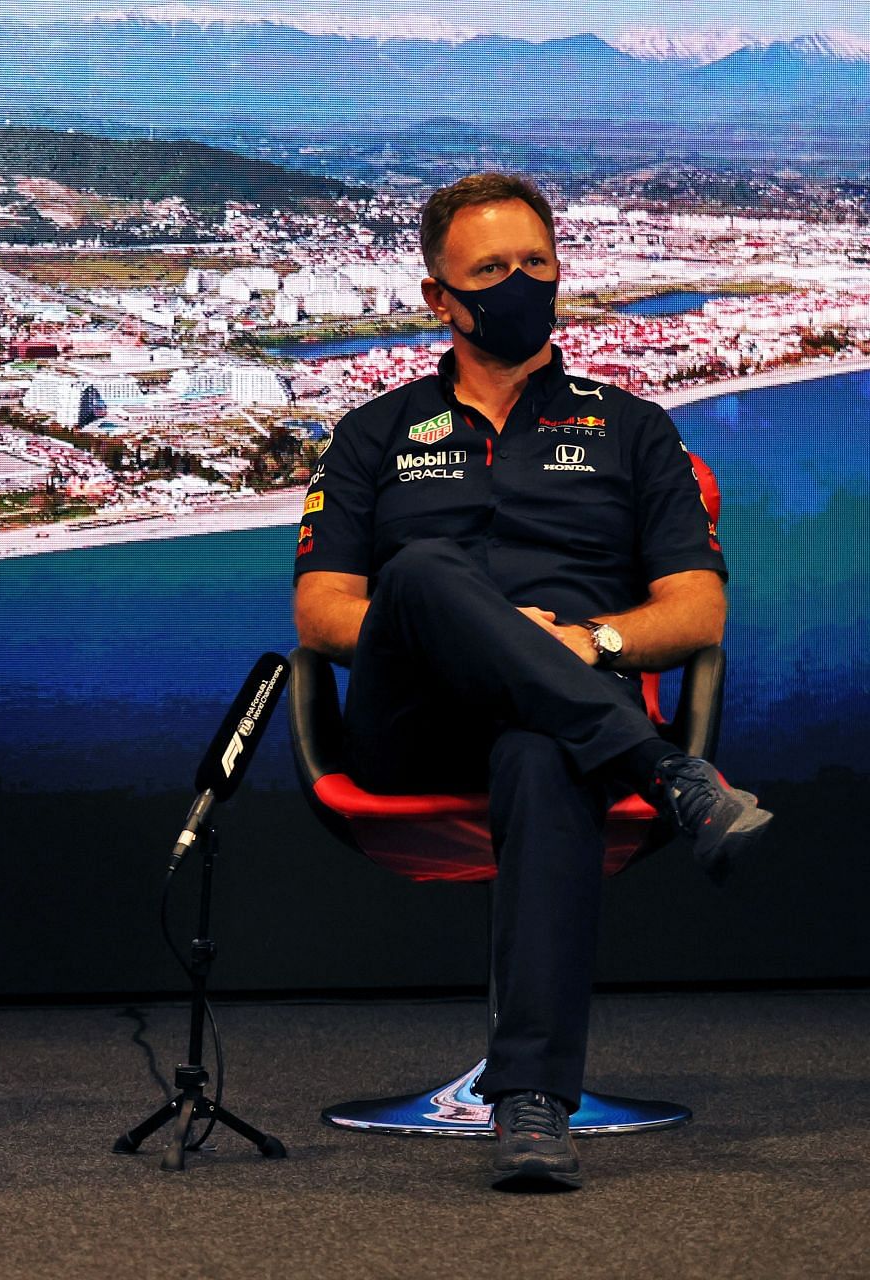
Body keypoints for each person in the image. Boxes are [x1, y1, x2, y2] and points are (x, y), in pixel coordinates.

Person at [292, 171, 771, 1191]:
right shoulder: (374, 434)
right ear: (438, 298)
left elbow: (696, 612)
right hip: (411, 717)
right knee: (424, 572)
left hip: (568, 723)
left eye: (538, 266)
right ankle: (675, 775)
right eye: (492, 270)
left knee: (543, 746)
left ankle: (531, 1101)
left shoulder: (635, 428)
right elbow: (325, 612)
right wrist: (470, 632)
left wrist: (589, 641)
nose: (521, 284)